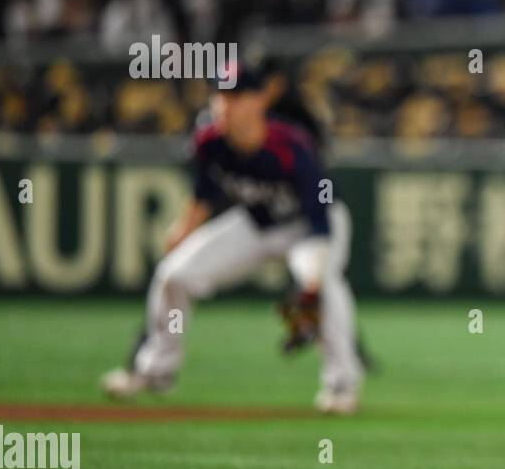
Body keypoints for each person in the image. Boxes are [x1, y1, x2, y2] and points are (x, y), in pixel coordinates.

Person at [100, 64, 364, 414]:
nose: (226, 104)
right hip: (256, 223)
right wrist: (183, 230)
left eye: (237, 96)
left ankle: (341, 384)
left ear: (259, 101)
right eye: (221, 95)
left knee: (326, 288)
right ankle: (156, 370)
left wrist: (311, 283)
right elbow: (204, 194)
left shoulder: (291, 145)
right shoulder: (209, 141)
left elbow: (319, 218)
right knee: (174, 275)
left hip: (311, 226)